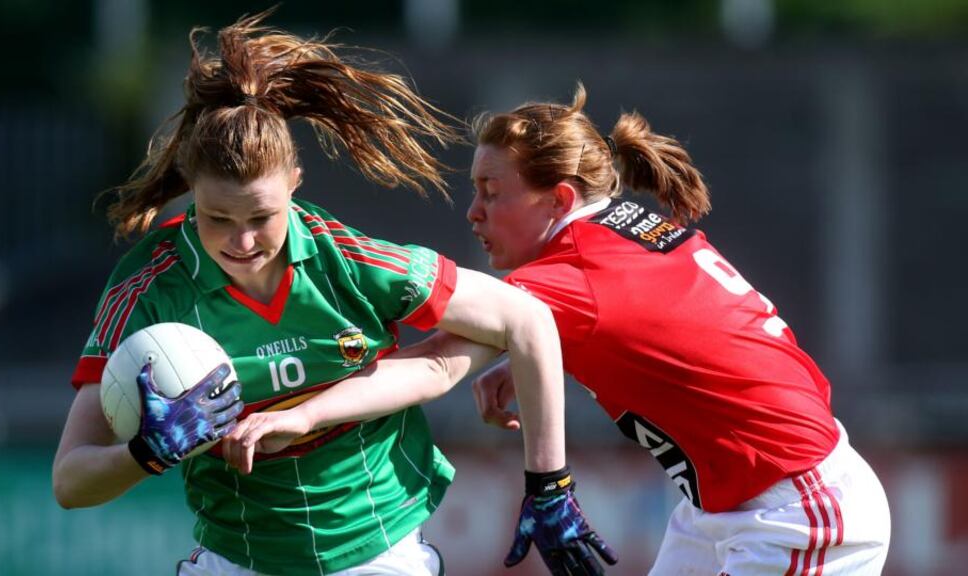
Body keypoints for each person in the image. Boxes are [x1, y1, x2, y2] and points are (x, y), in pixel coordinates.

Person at [51, 11, 588, 576]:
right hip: (240, 559)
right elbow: (70, 482)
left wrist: (549, 485)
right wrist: (148, 453)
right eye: (217, 217)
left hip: (378, 550)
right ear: (191, 194)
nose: (243, 240)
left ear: (295, 184)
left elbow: (526, 319)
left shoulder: (349, 261)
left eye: (262, 215)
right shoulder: (149, 288)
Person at [458, 84, 892, 575]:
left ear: (559, 199)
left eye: (491, 193)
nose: (474, 210)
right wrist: (533, 355)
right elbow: (661, 324)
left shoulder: (568, 274)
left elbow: (440, 357)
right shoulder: (625, 228)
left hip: (796, 512)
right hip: (729, 508)